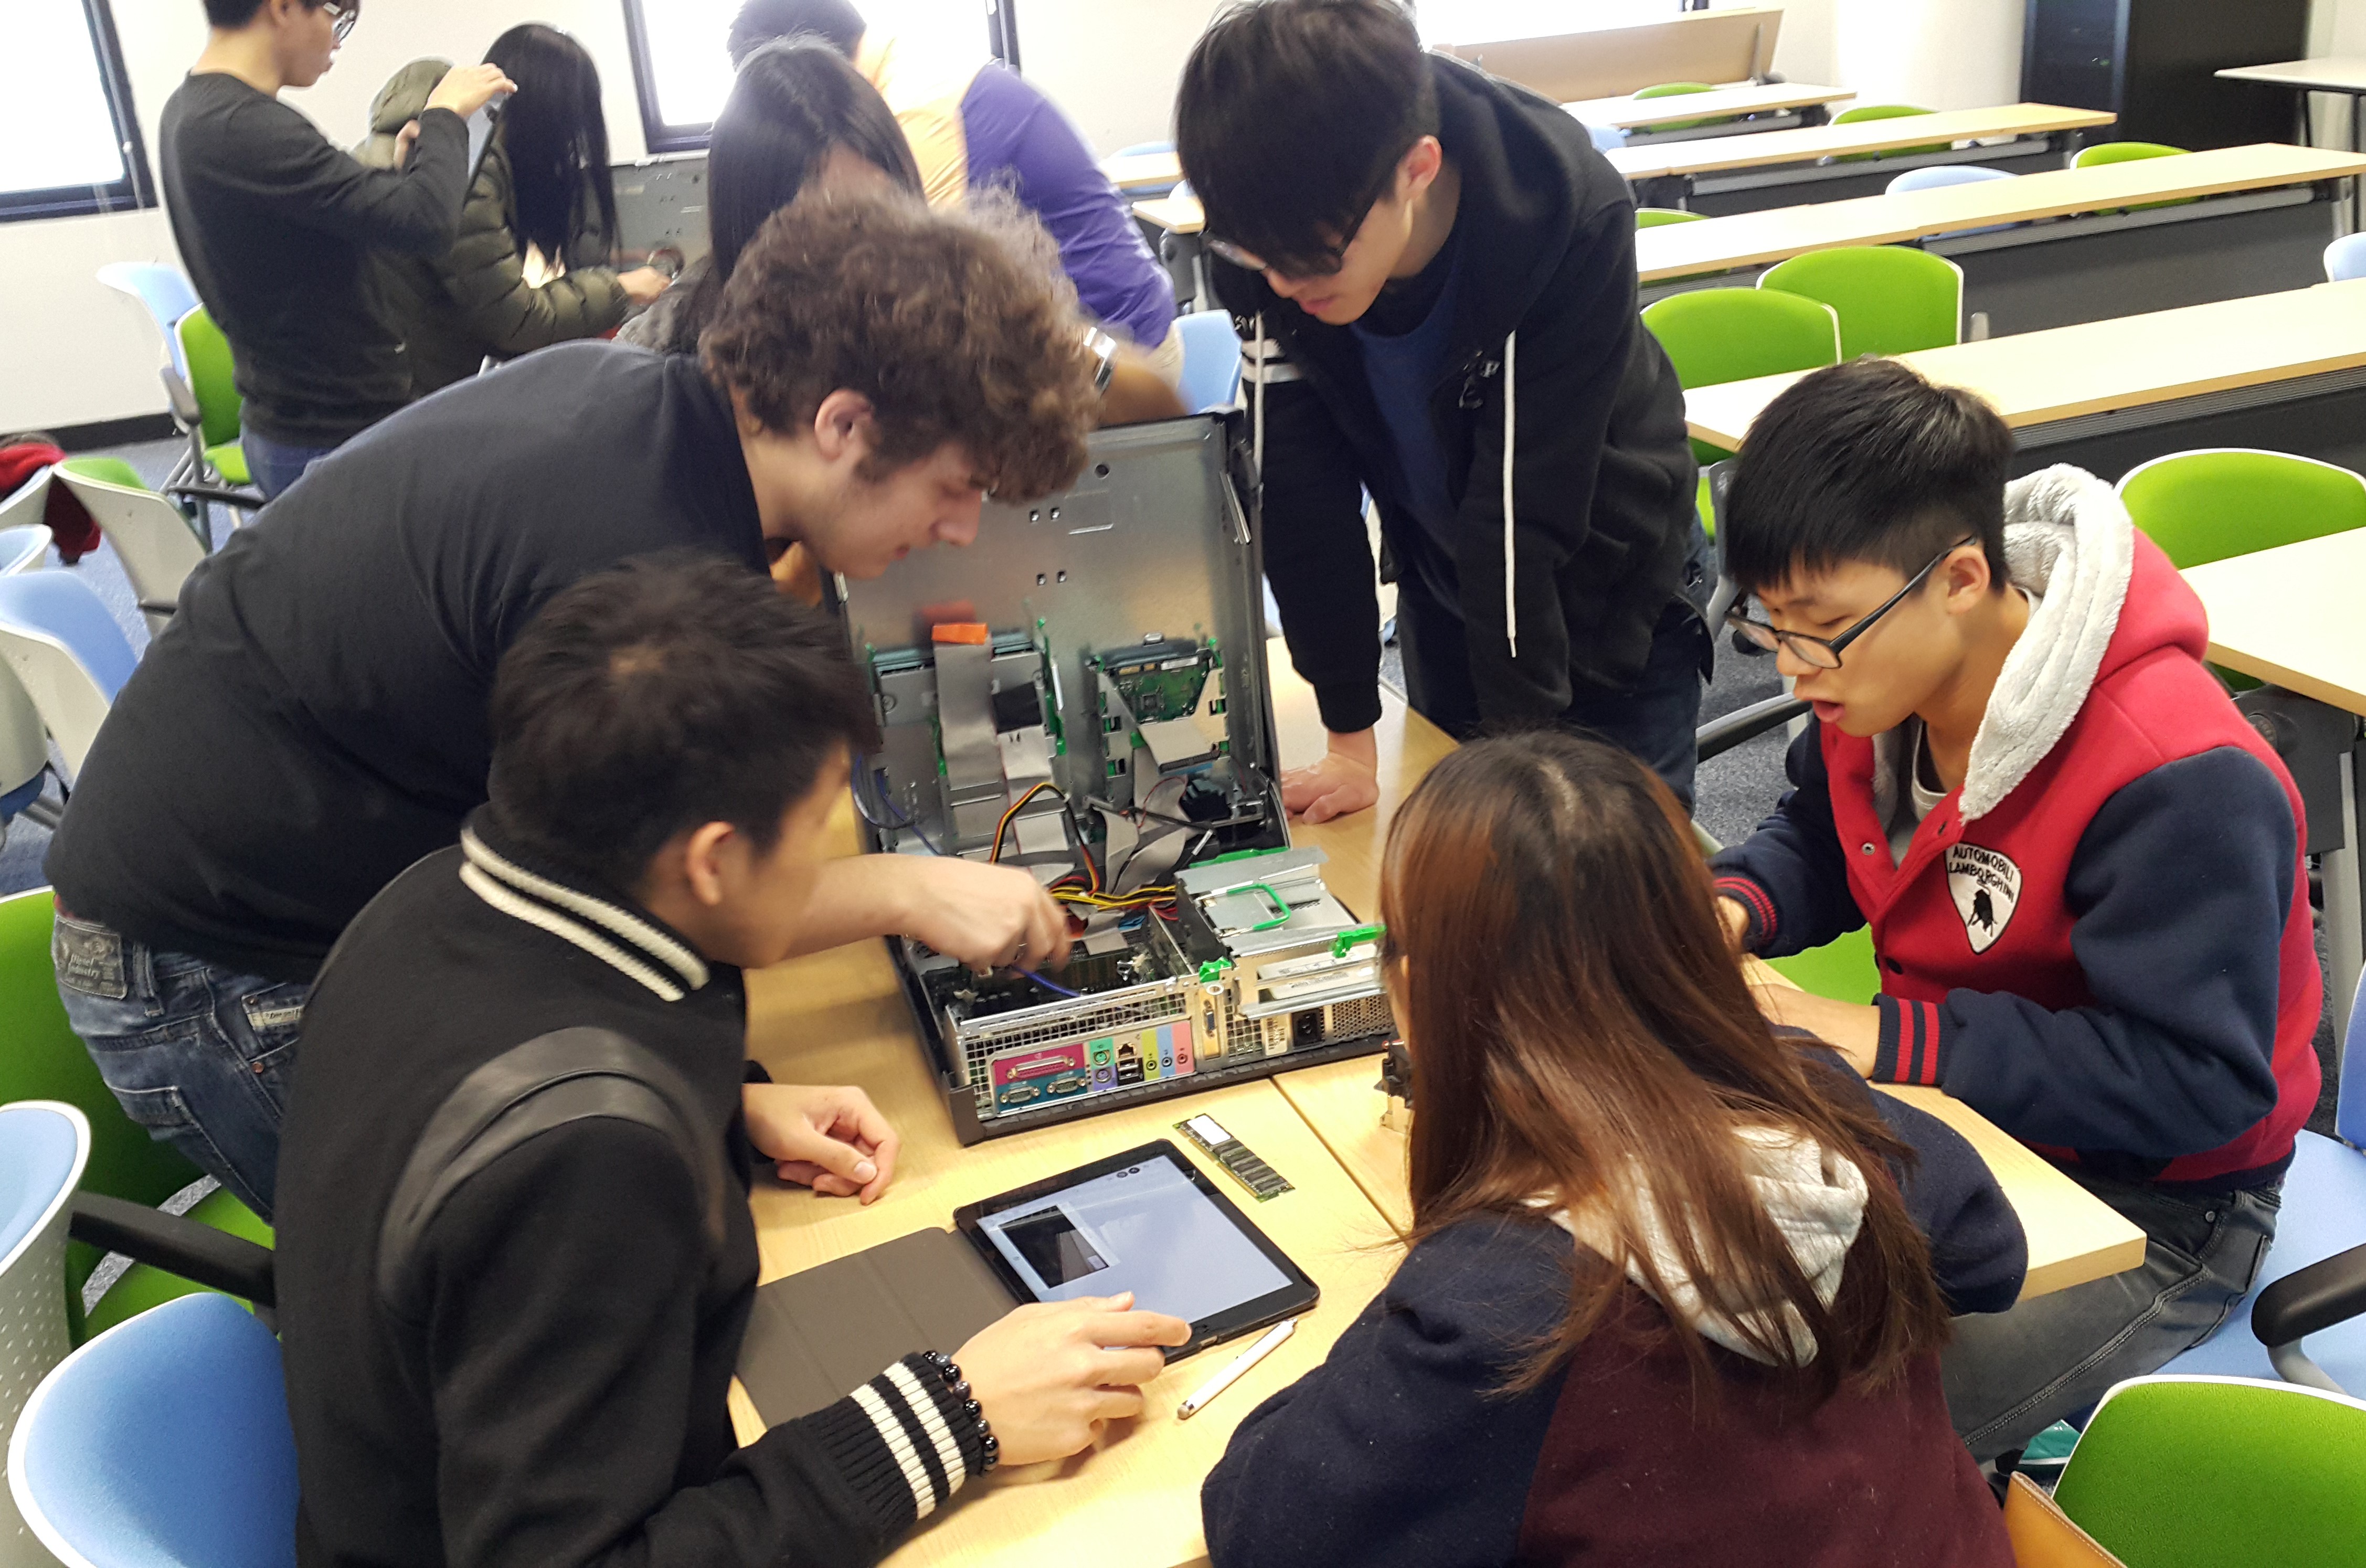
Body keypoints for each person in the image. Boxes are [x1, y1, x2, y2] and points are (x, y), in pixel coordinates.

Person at [45, 194, 1100, 1221]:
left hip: (323, 898)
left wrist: (721, 1100)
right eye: (955, 485)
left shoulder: (646, 414)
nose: (961, 530)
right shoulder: (631, 555)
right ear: (842, 424)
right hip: (219, 973)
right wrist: (907, 890)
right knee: (576, 1259)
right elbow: (637, 901)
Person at [275, 555, 1194, 1568]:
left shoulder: (431, 901)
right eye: (815, 833)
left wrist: (721, 1102)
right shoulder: (589, 1157)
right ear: (711, 860)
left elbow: (470, 1095)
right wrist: (956, 1415)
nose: (828, 868)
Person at [1200, 732, 2025, 1568]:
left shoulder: (1498, 1306)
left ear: (1415, 997)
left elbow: (1262, 1527)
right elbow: (1989, 1255)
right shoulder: (1818, 1105)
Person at [1705, 359, 2321, 1463]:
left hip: (2159, 1211)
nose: (1794, 672)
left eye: (1820, 629)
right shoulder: (1873, 679)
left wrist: (1895, 1038)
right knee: (1686, 1314)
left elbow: (2199, 1084)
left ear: (1957, 578)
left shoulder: (2173, 775)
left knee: (1813, 1447)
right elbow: (1823, 832)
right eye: (1769, 627)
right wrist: (1735, 907)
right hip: (1970, 1131)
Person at [1174, 0, 1711, 823]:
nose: (1280, 285)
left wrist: (1518, 767)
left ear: (1417, 169)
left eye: (1312, 257)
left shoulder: (1562, 214)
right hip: (1450, 587)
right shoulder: (1270, 237)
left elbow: (1520, 520)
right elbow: (1300, 493)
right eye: (1256, 257)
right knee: (1472, 878)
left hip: (1609, 594)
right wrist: (1351, 734)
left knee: (1620, 892)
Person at [619, 39, 1181, 428]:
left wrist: (1056, 351)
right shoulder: (670, 366)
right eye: (821, 229)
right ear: (751, 236)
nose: (859, 255)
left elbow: (1156, 407)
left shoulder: (939, 301)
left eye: (883, 218)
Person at [726, 0, 1183, 386]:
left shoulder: (913, 115)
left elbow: (923, 307)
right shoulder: (906, 71)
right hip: (1086, 339)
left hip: (1120, 359)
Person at [161, 0, 514, 496]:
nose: (338, 39)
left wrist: (406, 173)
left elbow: (323, 225)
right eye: (335, 16)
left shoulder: (199, 110)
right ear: (282, 8)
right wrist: (444, 114)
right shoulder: (245, 127)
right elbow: (427, 225)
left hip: (303, 422)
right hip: (329, 439)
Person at [357, 25, 671, 396]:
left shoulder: (444, 139)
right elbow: (517, 320)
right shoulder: (465, 164)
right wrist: (621, 287)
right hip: (395, 398)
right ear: (548, 121)